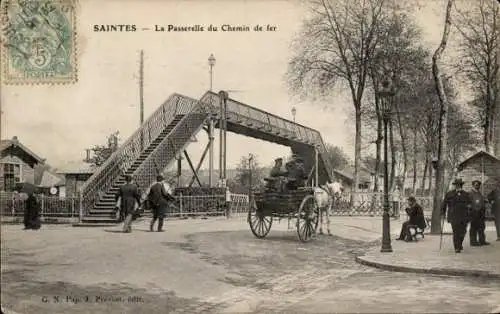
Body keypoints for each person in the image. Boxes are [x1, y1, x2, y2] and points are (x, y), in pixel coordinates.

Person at [441, 178, 472, 253]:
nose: (458, 186)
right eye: (457, 185)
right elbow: (444, 204)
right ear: (455, 186)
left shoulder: (466, 194)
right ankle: (456, 247)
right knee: (456, 232)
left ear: (462, 185)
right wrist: (442, 212)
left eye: (460, 185)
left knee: (463, 232)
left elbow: (470, 204)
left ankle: (460, 244)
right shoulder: (449, 194)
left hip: (464, 216)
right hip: (453, 215)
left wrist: (469, 208)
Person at [469, 180, 490, 246]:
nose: (477, 186)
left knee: (481, 227)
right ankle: (473, 242)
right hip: (474, 213)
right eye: (476, 185)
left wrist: (485, 201)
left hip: (481, 213)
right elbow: (470, 203)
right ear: (473, 185)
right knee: (474, 228)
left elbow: (481, 200)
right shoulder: (471, 193)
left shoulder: (479, 193)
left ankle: (482, 241)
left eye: (478, 185)